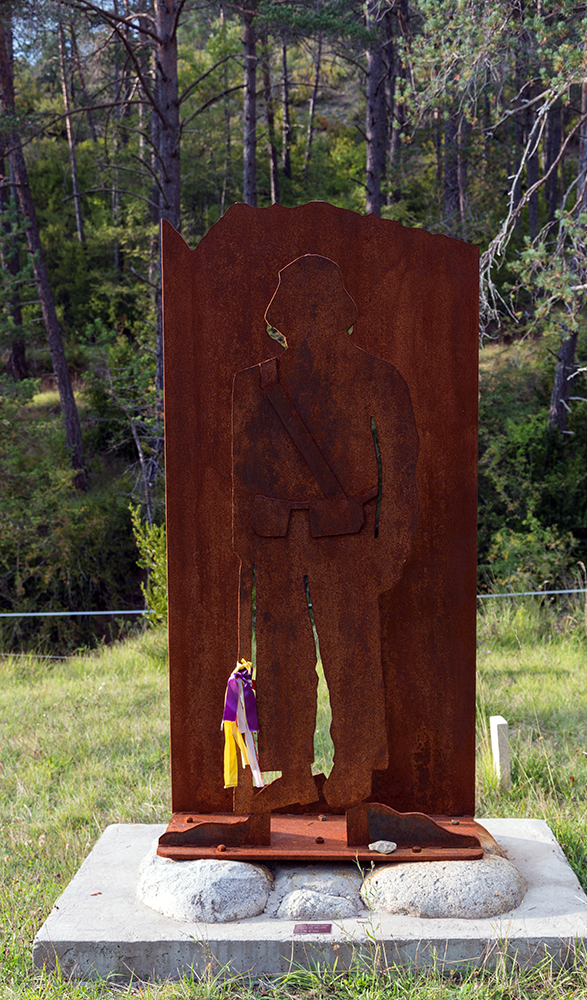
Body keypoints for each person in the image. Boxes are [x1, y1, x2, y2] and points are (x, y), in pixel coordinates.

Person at [232, 254, 419, 811]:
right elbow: (238, 473)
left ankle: (355, 769)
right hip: (276, 543)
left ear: (334, 310)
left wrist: (392, 545)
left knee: (352, 653)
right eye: (294, 309)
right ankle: (291, 772)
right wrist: (243, 542)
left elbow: (402, 472)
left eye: (312, 308)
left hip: (348, 541)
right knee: (282, 657)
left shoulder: (377, 377)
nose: (302, 321)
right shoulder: (255, 384)